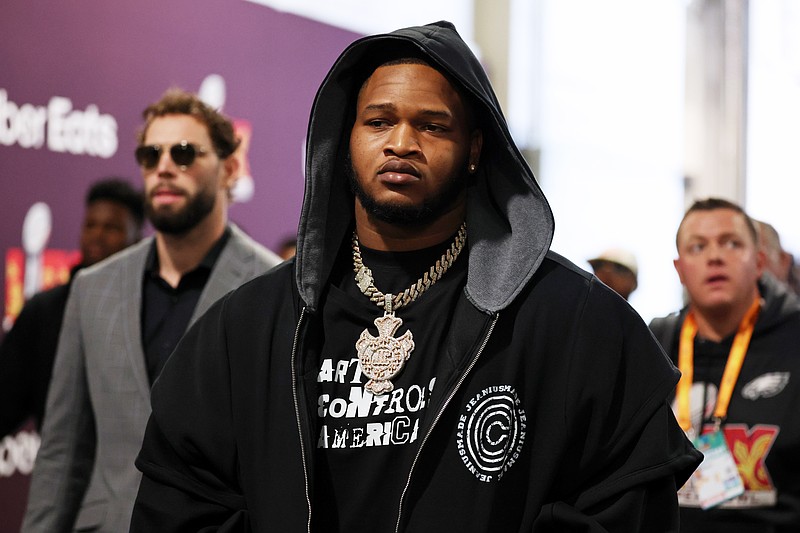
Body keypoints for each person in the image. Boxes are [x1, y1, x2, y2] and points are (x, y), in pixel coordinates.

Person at [130, 22, 701, 532]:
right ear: (344, 139)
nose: (401, 143)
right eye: (379, 121)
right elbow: (182, 502)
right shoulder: (246, 329)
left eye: (432, 126)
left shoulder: (575, 324)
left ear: (476, 149)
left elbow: (628, 507)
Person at [21, 89, 281, 533]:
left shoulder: (274, 289)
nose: (163, 167)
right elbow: (63, 451)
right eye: (150, 154)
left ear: (230, 168)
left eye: (183, 153)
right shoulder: (92, 288)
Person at [650, 198, 800, 532]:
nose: (714, 256)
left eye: (731, 243)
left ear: (759, 262)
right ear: (680, 269)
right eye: (697, 246)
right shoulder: (650, 346)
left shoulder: (793, 340)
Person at [0, 177, 144, 438]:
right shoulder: (44, 310)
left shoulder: (149, 308)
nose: (97, 236)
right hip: (60, 465)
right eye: (90, 225)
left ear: (137, 237)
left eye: (112, 227)